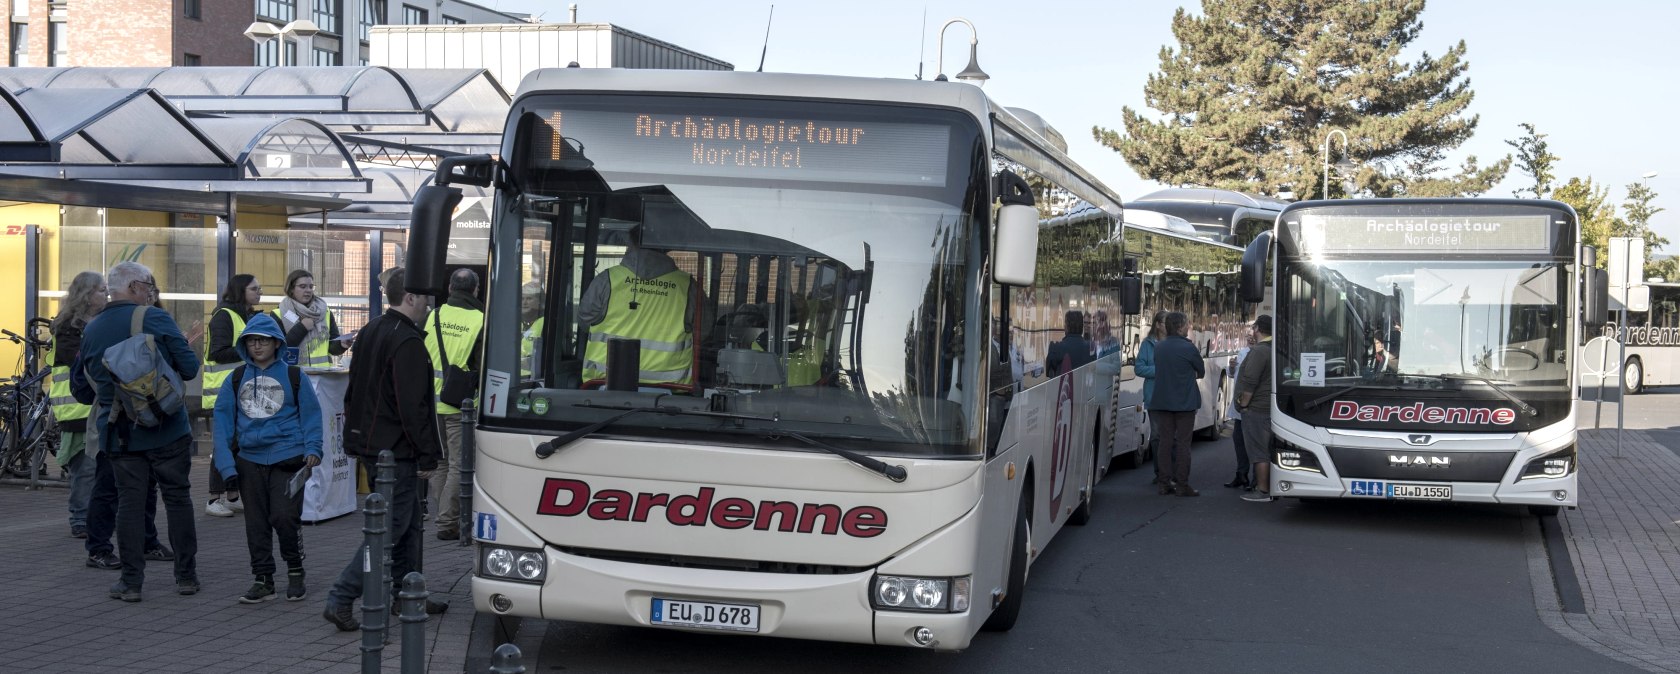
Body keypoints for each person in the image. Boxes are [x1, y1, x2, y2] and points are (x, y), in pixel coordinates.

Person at [324, 267, 446, 631]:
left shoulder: (373, 330)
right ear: (409, 297)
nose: (429, 303)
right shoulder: (405, 340)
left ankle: (407, 593)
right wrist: (427, 453)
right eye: (424, 297)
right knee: (390, 530)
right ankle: (342, 596)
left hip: (374, 444)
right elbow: (412, 406)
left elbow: (357, 389)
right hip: (395, 451)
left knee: (406, 526)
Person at [71, 261, 201, 602]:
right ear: (132, 287)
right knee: (177, 498)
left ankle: (131, 583)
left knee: (128, 503)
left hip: (119, 433)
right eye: (148, 286)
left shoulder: (92, 328)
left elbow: (82, 391)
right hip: (167, 428)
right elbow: (188, 368)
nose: (150, 292)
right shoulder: (152, 318)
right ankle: (186, 577)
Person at [212, 313, 324, 603]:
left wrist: (313, 449)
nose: (257, 346)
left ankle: (295, 569)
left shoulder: (295, 376)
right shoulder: (235, 379)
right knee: (256, 523)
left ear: (276, 343)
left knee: (284, 517)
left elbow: (312, 417)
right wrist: (227, 469)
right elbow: (222, 427)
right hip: (249, 460)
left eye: (262, 340)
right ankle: (263, 579)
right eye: (251, 341)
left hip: (289, 458)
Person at [577, 226, 701, 387]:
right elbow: (702, 333)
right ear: (667, 247)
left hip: (606, 382)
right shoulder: (688, 286)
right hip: (671, 391)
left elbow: (584, 321)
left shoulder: (607, 280)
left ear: (632, 243)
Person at [423, 269, 484, 541]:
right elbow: (483, 366)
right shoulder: (481, 320)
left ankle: (444, 516)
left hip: (431, 403)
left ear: (449, 288)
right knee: (460, 465)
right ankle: (447, 522)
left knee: (441, 464)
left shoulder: (433, 316)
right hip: (461, 407)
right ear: (476, 290)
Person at [202, 273, 263, 517]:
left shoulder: (246, 315)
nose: (259, 293)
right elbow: (218, 352)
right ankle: (213, 498)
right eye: (254, 289)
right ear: (241, 291)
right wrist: (250, 347)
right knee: (224, 445)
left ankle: (232, 495)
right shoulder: (224, 315)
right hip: (223, 390)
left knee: (237, 444)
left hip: (241, 389)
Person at [49, 271, 105, 539]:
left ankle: (94, 517)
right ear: (86, 295)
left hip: (96, 405)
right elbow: (78, 360)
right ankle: (80, 519)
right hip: (77, 408)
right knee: (85, 469)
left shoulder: (99, 322)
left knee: (99, 468)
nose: (105, 295)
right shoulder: (68, 326)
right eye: (100, 290)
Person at [1148, 311, 1205, 497]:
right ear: (1181, 327)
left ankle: (1164, 483)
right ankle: (1182, 484)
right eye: (1187, 324)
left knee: (1164, 443)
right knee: (1183, 444)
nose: (1189, 327)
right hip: (1185, 403)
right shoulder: (1189, 348)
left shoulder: (1159, 347)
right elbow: (1201, 371)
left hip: (1162, 401)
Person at [275, 269, 352, 369]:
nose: (308, 290)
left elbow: (332, 348)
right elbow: (279, 348)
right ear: (291, 289)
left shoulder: (325, 312)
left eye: (311, 287)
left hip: (322, 375)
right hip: (293, 374)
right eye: (303, 286)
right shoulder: (279, 313)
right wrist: (302, 328)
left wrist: (341, 345)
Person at [1238, 315, 1277, 503]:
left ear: (1258, 329)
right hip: (1269, 407)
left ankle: (1262, 490)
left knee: (1259, 451)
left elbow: (1250, 382)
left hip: (1258, 409)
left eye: (1254, 327)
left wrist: (1244, 405)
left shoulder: (1260, 351)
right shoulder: (1275, 348)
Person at [1134, 310, 1167, 486]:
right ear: (1158, 325)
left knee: (1171, 435)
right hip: (1154, 395)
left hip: (1171, 396)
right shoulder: (1147, 344)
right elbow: (1139, 368)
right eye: (1165, 322)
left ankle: (1169, 472)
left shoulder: (1174, 343)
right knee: (1156, 435)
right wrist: (1159, 371)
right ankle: (1159, 471)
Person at [1224, 324, 1257, 489]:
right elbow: (1234, 375)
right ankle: (1241, 474)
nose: (1250, 338)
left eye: (1253, 335)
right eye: (1248, 336)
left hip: (1253, 405)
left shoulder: (1263, 352)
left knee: (1256, 444)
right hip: (1239, 405)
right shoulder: (1243, 351)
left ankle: (1257, 479)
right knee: (1239, 440)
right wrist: (1231, 368)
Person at [1046, 310, 1095, 377]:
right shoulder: (1090, 348)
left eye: (1065, 323)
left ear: (1067, 326)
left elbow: (1050, 375)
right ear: (1082, 326)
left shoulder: (1055, 348)